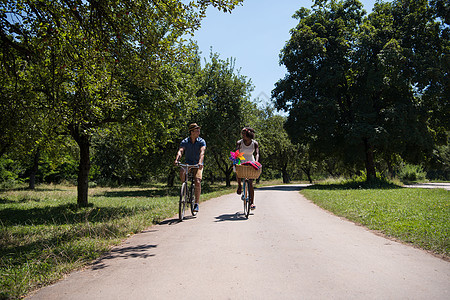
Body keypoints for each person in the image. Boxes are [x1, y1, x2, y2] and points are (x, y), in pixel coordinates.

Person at [174, 123, 206, 212]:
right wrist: (177, 159)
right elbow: (180, 151)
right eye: (196, 130)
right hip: (188, 163)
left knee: (197, 181)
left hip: (197, 164)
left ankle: (196, 203)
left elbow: (202, 152)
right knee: (182, 172)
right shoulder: (185, 141)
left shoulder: (201, 141)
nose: (198, 132)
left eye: (199, 130)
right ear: (191, 132)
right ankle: (185, 188)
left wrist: (200, 162)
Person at [236, 126, 259, 210]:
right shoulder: (239, 142)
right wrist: (236, 161)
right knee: (238, 170)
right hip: (241, 159)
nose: (242, 135)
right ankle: (239, 185)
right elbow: (237, 152)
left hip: (250, 160)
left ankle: (252, 203)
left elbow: (257, 153)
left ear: (248, 134)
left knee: (250, 183)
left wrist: (256, 161)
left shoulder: (255, 143)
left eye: (243, 133)